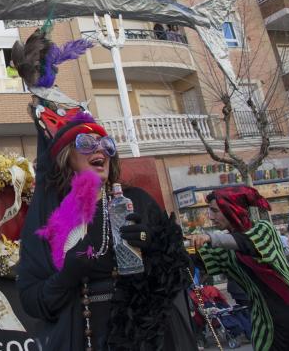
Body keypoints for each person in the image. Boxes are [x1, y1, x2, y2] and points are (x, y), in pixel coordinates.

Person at [12, 29, 196, 350]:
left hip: (149, 337)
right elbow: (33, 301)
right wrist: (67, 275)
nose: (100, 149)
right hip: (87, 337)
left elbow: (179, 271)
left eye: (106, 143)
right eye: (85, 143)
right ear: (66, 159)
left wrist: (155, 248)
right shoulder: (53, 220)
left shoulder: (135, 201)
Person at [188, 187, 289, 350]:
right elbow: (195, 261)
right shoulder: (223, 248)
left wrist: (211, 238)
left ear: (231, 210)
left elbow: (248, 243)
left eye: (214, 210)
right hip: (266, 321)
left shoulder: (264, 229)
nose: (210, 217)